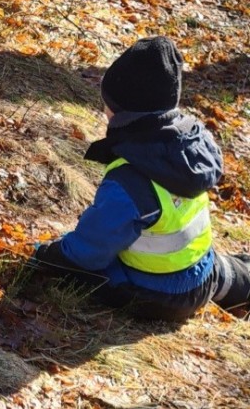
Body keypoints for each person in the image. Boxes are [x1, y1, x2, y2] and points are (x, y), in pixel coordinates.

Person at [33, 36, 250, 320]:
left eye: (107, 104)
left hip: (159, 295)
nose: (104, 110)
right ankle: (239, 280)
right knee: (220, 272)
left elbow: (91, 250)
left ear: (124, 113)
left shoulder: (129, 179)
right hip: (201, 271)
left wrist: (46, 255)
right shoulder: (189, 146)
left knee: (88, 273)